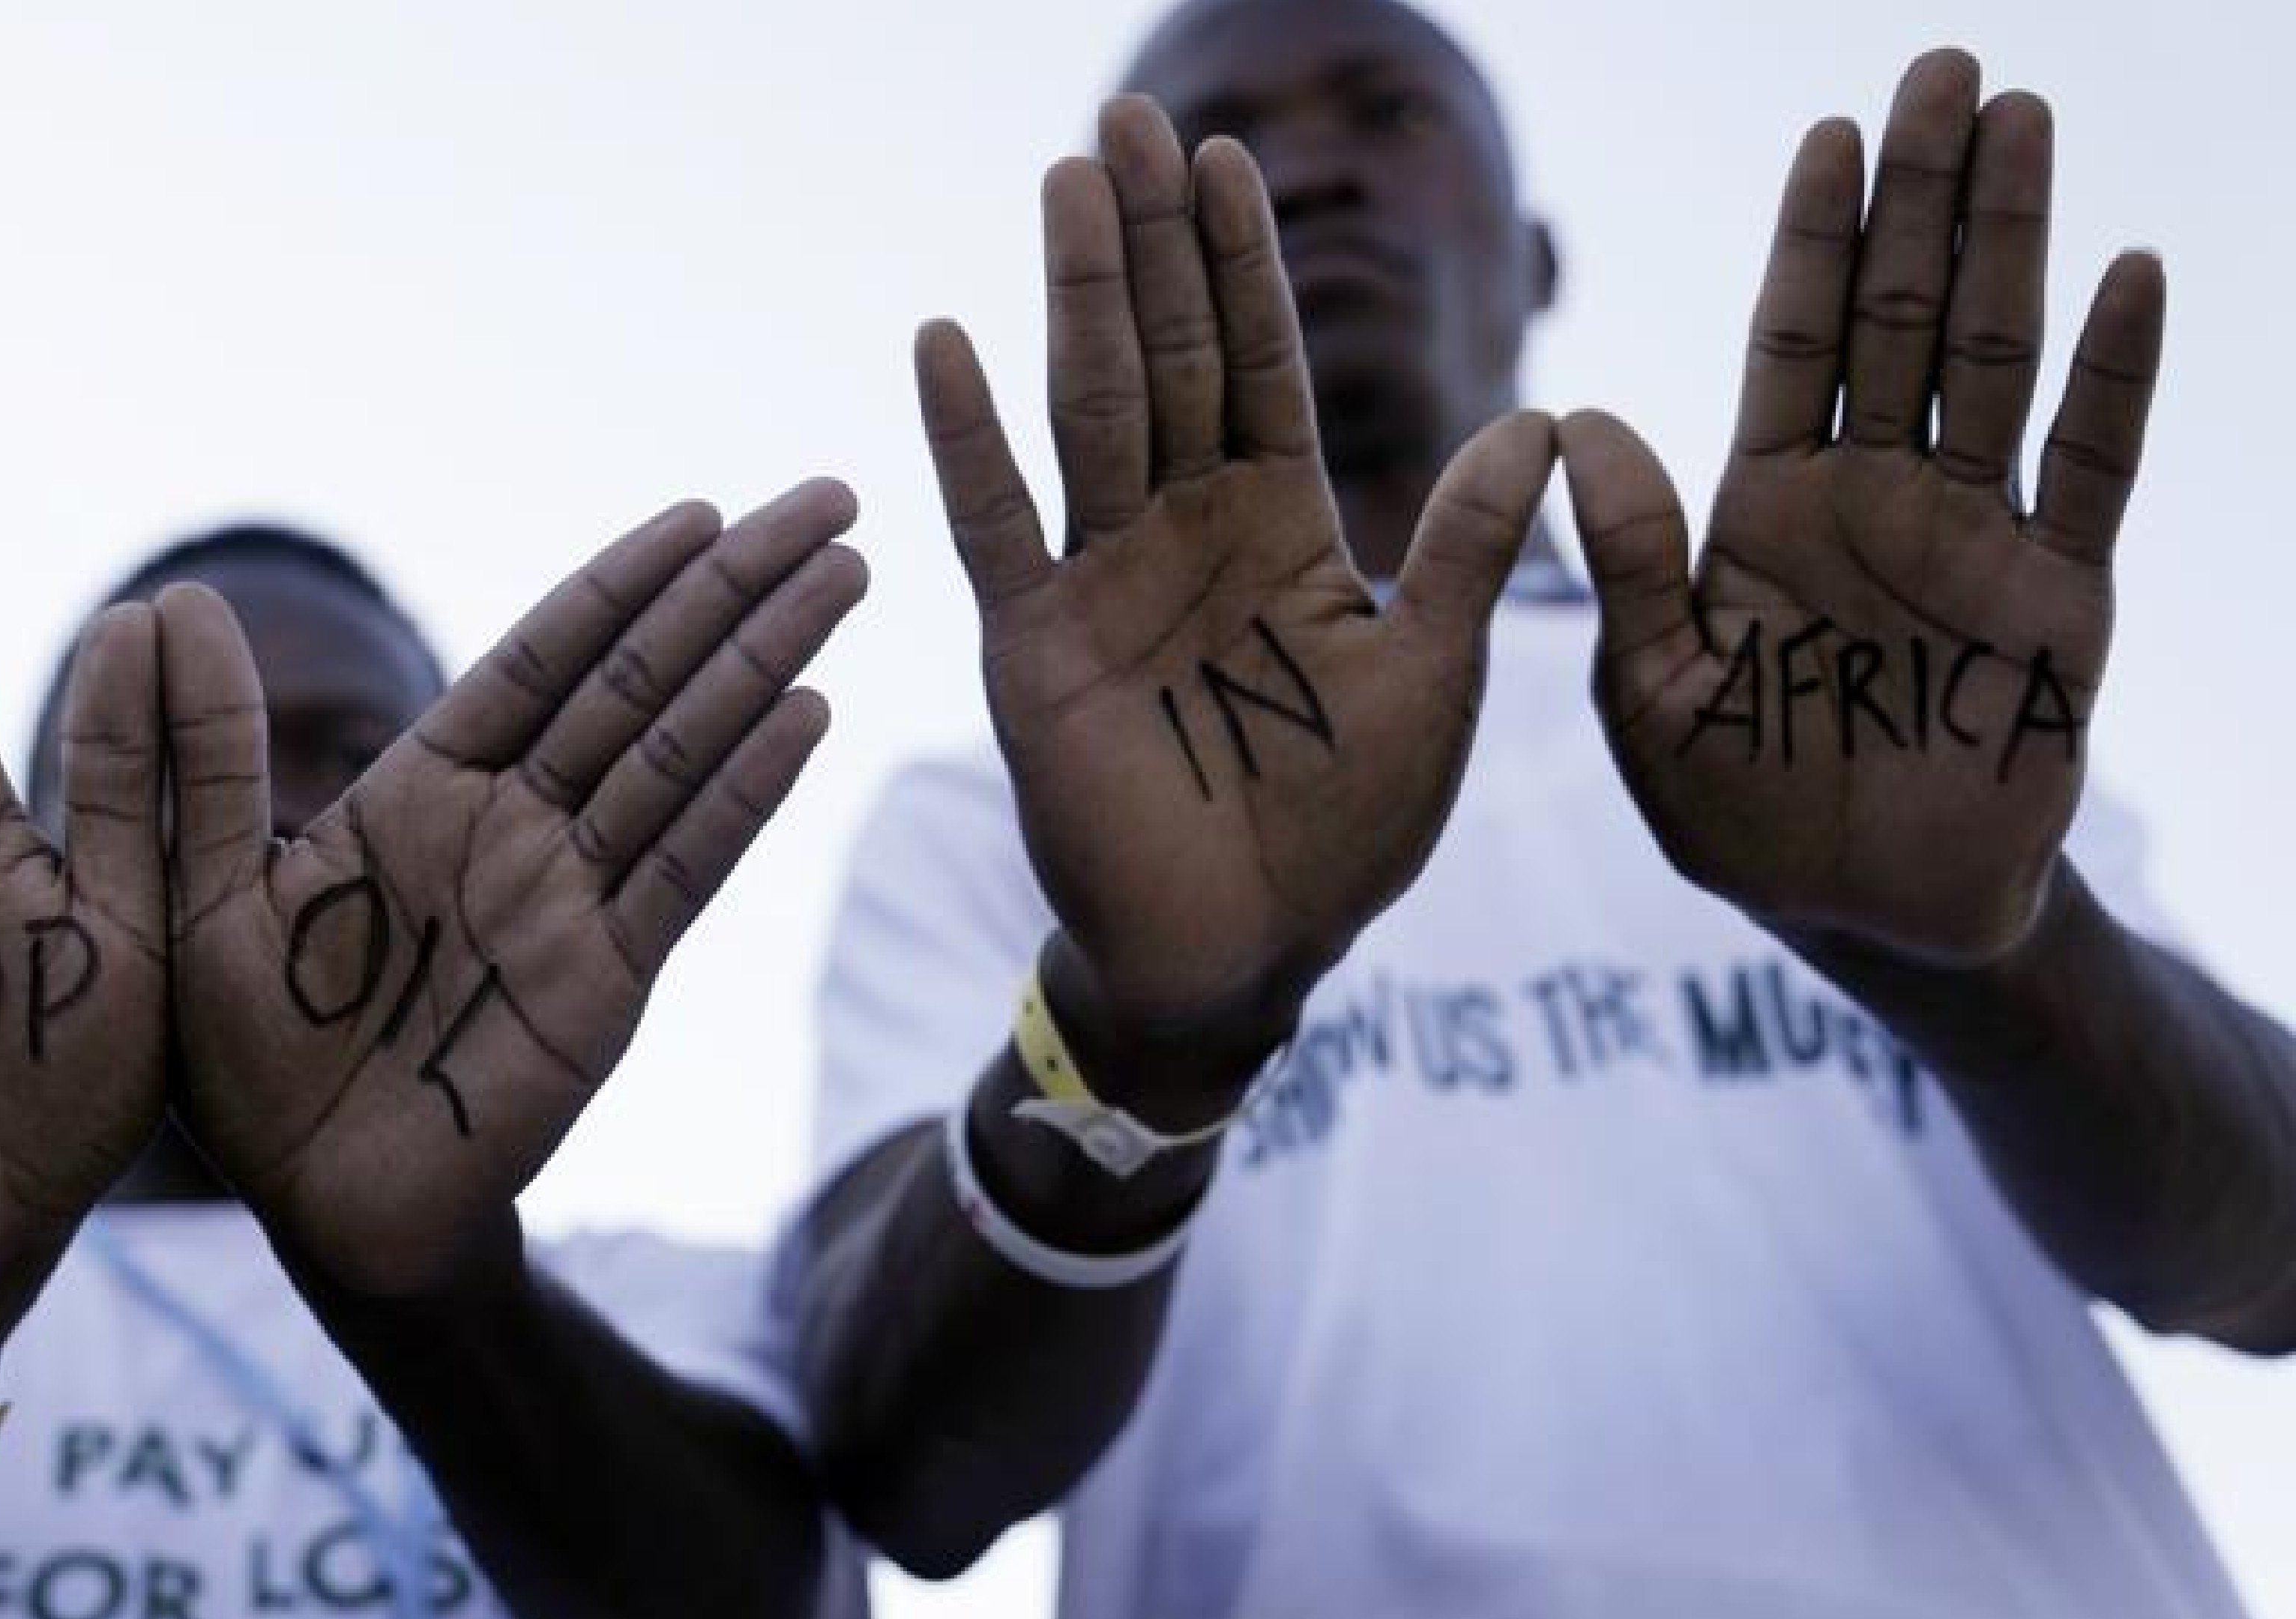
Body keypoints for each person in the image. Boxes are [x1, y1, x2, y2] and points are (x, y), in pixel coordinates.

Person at [783, 6, 2295, 1616]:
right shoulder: (1000, 817)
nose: (1311, 170)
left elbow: (2269, 1256)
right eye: (1225, 140)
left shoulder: (1862, 709)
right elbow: (899, 1468)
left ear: (1543, 253)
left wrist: (1984, 956)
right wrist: (1141, 1033)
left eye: (1390, 116)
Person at [0, 331, 870, 1618]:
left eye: (344, 750)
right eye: (161, 751)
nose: (247, 808)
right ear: (11, 843)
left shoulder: (658, 1304)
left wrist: (433, 1291)